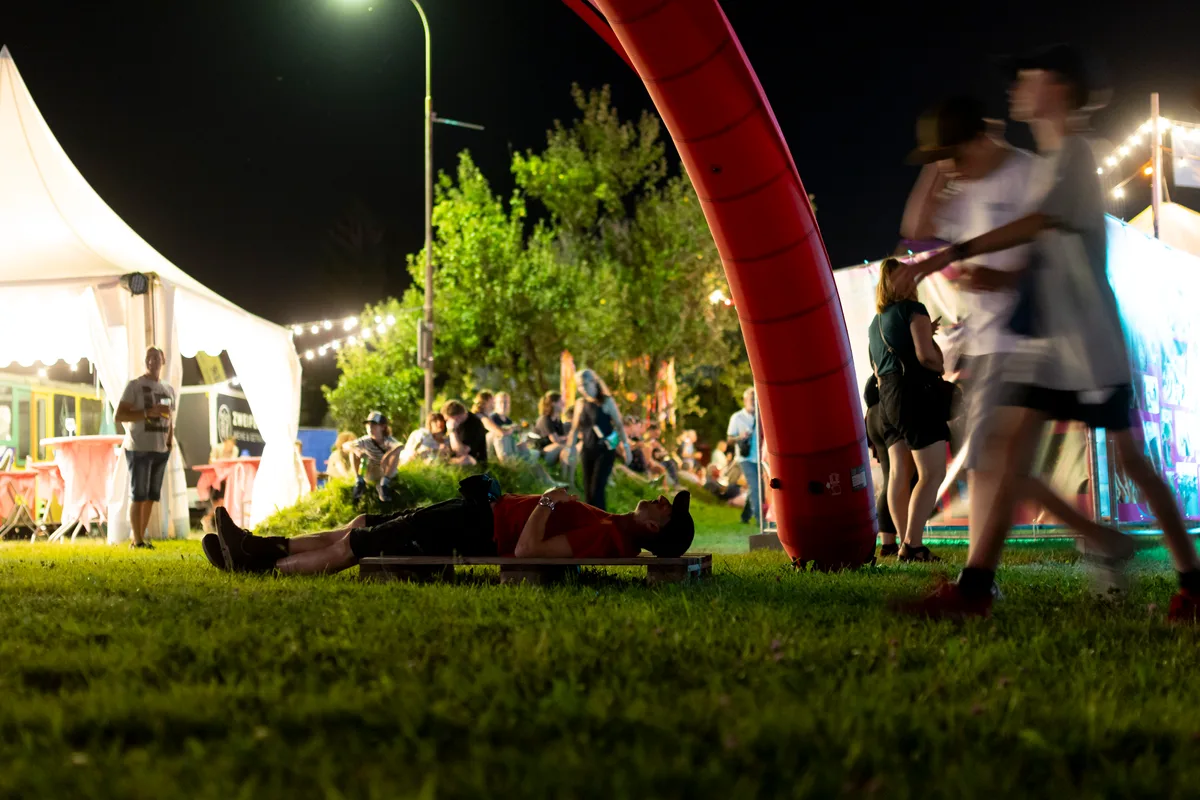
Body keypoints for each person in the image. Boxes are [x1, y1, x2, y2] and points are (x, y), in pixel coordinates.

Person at [892, 44, 1200, 620]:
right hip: (1048, 342)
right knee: (1003, 457)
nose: (1015, 92)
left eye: (1027, 80)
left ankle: (1190, 580)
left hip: (1091, 344)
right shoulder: (1053, 156)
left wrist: (947, 258)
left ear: (1057, 89)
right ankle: (975, 589)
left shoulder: (1074, 156)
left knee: (1131, 462)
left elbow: (1036, 225)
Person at [901, 93, 1127, 569]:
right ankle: (1094, 541)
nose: (953, 168)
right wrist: (939, 163)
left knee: (994, 458)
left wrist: (1004, 278)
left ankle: (979, 580)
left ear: (982, 138)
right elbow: (916, 225)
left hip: (1024, 339)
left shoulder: (1026, 172)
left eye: (957, 154)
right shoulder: (963, 184)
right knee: (996, 464)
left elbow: (1051, 246)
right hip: (984, 343)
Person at [200, 475, 695, 576]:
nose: (657, 498)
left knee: (359, 543)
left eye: (664, 507)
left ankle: (261, 566)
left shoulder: (612, 536)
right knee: (365, 522)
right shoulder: (615, 525)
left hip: (477, 529)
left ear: (654, 530)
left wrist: (547, 501)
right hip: (478, 513)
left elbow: (526, 553)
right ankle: (258, 546)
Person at [868, 258, 948, 562]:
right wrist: (939, 362)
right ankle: (912, 545)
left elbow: (877, 367)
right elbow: (926, 357)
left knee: (899, 473)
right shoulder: (914, 310)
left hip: (886, 400)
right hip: (913, 395)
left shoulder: (875, 323)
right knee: (932, 473)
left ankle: (905, 543)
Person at [113, 347, 176, 549]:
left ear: (163, 361)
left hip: (160, 449)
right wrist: (148, 413)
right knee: (138, 494)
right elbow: (120, 415)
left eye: (156, 358)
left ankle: (138, 538)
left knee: (151, 496)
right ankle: (138, 541)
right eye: (149, 357)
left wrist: (169, 441)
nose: (153, 361)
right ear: (144, 361)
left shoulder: (168, 389)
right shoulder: (135, 385)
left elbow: (170, 419)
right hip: (138, 446)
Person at [565, 369, 632, 510]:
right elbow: (575, 428)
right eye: (580, 386)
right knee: (588, 491)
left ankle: (603, 523)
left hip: (605, 450)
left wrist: (626, 447)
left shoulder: (606, 401)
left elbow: (619, 425)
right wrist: (569, 448)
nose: (583, 388)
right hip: (587, 450)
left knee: (597, 490)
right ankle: (591, 525)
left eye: (585, 384)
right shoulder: (580, 403)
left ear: (594, 382)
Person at [344, 412, 402, 503]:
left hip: (384, 471)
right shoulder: (366, 440)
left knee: (396, 453)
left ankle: (384, 484)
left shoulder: (387, 440)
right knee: (353, 449)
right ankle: (359, 481)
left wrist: (387, 455)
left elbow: (400, 446)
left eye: (374, 425)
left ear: (382, 427)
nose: (370, 428)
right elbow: (346, 446)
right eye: (368, 425)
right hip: (371, 471)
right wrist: (357, 451)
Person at [726, 387, 763, 527]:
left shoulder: (760, 416)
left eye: (755, 399)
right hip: (745, 458)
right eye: (751, 399)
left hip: (759, 457)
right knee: (755, 486)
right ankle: (761, 520)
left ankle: (745, 516)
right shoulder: (737, 417)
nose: (753, 401)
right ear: (745, 400)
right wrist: (740, 437)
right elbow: (729, 439)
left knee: (756, 487)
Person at [443, 399, 489, 466]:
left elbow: (461, 452)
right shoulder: (457, 422)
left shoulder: (475, 424)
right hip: (453, 457)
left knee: (466, 460)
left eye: (448, 419)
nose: (447, 422)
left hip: (474, 460)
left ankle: (446, 463)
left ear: (456, 417)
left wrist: (452, 431)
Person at [533, 392, 570, 467]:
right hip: (543, 453)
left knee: (569, 447)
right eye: (560, 401)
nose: (563, 404)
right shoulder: (545, 419)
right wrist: (570, 437)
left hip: (552, 450)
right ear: (553, 403)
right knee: (563, 446)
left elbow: (563, 437)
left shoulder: (558, 420)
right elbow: (555, 439)